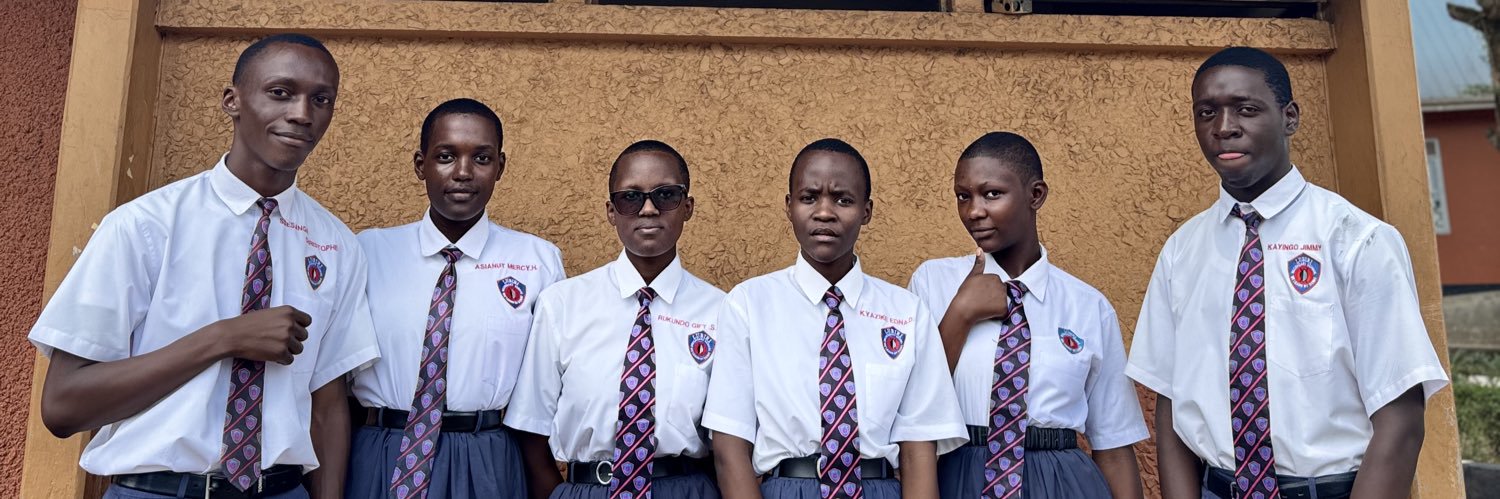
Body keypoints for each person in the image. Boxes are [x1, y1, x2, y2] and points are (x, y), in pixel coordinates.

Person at [29, 33, 377, 499]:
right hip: (157, 491)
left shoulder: (336, 244)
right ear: (232, 101)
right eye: (280, 93)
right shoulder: (144, 227)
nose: (302, 113)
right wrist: (224, 338)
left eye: (321, 99)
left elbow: (327, 404)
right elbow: (63, 407)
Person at [1126, 46, 1449, 499]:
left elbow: (1400, 416)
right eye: (1206, 113)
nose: (1224, 128)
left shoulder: (1357, 239)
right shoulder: (1183, 251)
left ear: (1290, 117)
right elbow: (1171, 401)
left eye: (1246, 109)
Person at [704, 138, 966, 499]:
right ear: (789, 206)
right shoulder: (749, 304)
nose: (824, 212)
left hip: (878, 487)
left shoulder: (906, 312)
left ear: (867, 211)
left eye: (843, 199)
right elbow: (729, 446)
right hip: (789, 488)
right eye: (809, 197)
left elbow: (918, 449)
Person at [345, 98, 565, 499]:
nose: (463, 172)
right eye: (446, 156)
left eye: (481, 158)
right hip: (382, 450)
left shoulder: (537, 260)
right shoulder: (369, 252)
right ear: (420, 165)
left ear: (500, 166)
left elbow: (544, 386)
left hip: (487, 455)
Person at [908, 131, 1147, 499]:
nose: (974, 211)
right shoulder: (933, 283)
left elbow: (1114, 445)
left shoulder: (1088, 306)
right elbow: (912, 401)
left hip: (1061, 478)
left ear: (1035, 195)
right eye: (963, 196)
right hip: (960, 474)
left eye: (992, 194)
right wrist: (960, 313)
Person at [508, 140, 724, 499]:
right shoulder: (562, 304)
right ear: (611, 211)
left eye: (666, 195)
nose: (649, 209)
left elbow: (730, 438)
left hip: (684, 488)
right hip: (589, 488)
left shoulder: (721, 311)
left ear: (687, 207)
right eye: (630, 198)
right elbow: (531, 427)